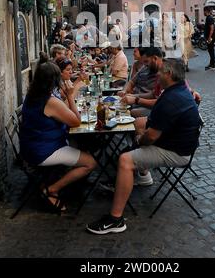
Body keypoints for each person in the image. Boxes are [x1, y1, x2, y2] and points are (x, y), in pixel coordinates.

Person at [86, 58, 201, 234]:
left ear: (169, 74)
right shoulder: (177, 91)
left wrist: (139, 140)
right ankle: (138, 175)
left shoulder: (171, 98)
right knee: (138, 123)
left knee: (125, 159)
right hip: (175, 143)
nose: (157, 76)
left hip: (176, 152)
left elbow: (152, 136)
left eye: (161, 72)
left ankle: (115, 219)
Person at [19, 54, 97, 213]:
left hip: (32, 146)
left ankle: (69, 184)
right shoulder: (50, 100)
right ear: (54, 81)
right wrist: (69, 95)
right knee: (90, 162)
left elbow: (63, 113)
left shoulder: (33, 95)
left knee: (82, 145)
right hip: (43, 151)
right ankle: (52, 189)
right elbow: (76, 121)